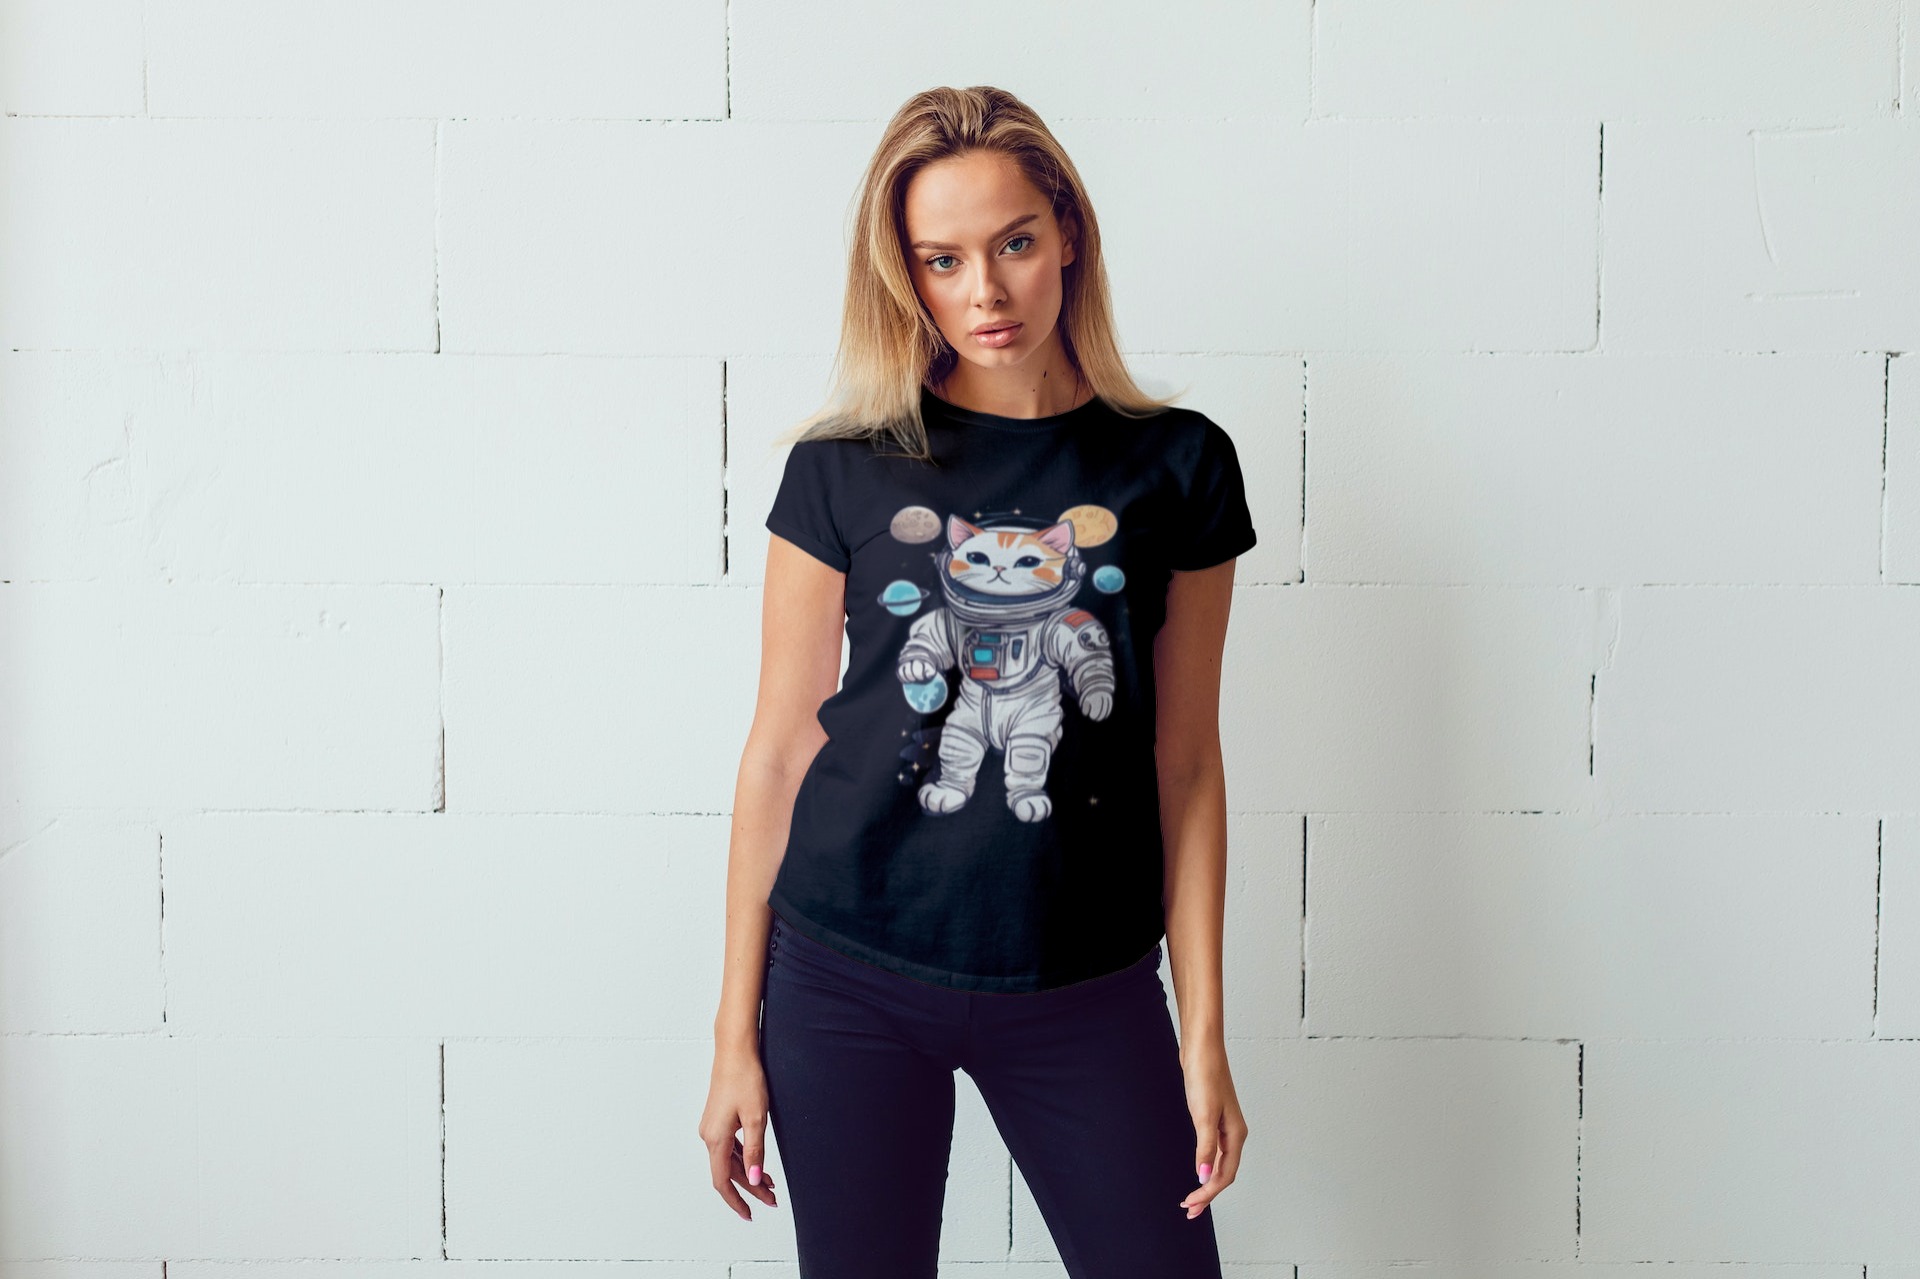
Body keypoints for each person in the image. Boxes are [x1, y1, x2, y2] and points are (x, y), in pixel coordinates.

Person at [699, 84, 1256, 1279]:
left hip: (1087, 986)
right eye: (942, 260)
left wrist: (1203, 1035)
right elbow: (782, 751)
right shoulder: (841, 468)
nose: (986, 292)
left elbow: (1187, 762)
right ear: (905, 274)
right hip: (846, 976)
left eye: (1014, 244)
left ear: (1069, 234)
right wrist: (733, 1033)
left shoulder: (1179, 464)